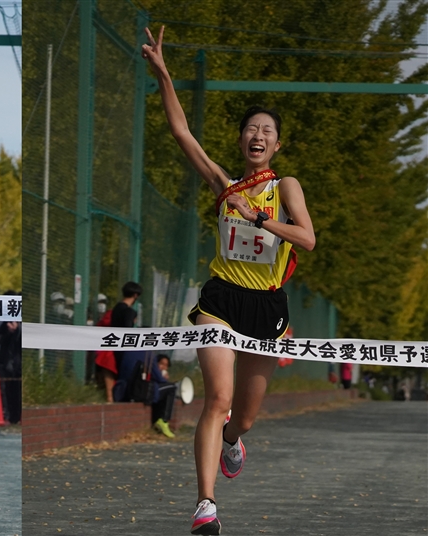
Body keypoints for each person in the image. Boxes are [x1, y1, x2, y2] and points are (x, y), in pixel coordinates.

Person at [142, 28, 316, 535]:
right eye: (250, 129)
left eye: (266, 130)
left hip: (267, 308)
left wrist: (260, 220)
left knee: (240, 416)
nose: (256, 135)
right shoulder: (225, 185)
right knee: (216, 399)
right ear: (242, 140)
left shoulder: (285, 187)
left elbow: (306, 240)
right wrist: (165, 75)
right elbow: (182, 134)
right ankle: (205, 505)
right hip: (220, 298)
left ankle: (235, 440)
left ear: (276, 143)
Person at [112, 352, 177, 438]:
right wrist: (164, 377)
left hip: (121, 390)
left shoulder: (125, 351)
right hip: (140, 391)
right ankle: (163, 420)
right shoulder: (148, 355)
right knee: (171, 387)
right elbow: (159, 378)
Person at [110, 281, 143, 378]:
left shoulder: (116, 308)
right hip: (124, 348)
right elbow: (128, 330)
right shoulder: (129, 311)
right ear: (135, 295)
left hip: (114, 344)